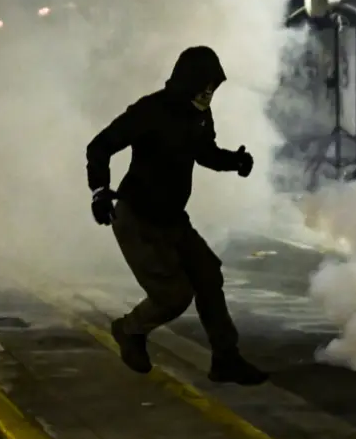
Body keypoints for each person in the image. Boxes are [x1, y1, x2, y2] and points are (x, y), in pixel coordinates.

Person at [85, 45, 268, 386]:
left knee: (208, 275)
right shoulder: (150, 110)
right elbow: (100, 146)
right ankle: (128, 329)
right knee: (173, 296)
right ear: (189, 83)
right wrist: (99, 191)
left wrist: (235, 161)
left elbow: (204, 152)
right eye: (205, 88)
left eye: (214, 89)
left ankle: (226, 359)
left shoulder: (198, 112)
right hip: (137, 218)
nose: (209, 96)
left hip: (172, 219)